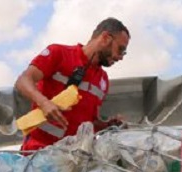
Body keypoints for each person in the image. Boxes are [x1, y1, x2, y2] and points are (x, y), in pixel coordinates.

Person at [15, 17, 130, 151]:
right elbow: (23, 80)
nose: (121, 57)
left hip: (73, 159)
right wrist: (44, 103)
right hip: (39, 151)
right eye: (121, 49)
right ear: (105, 38)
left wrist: (108, 125)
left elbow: (87, 122)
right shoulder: (58, 53)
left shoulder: (103, 80)